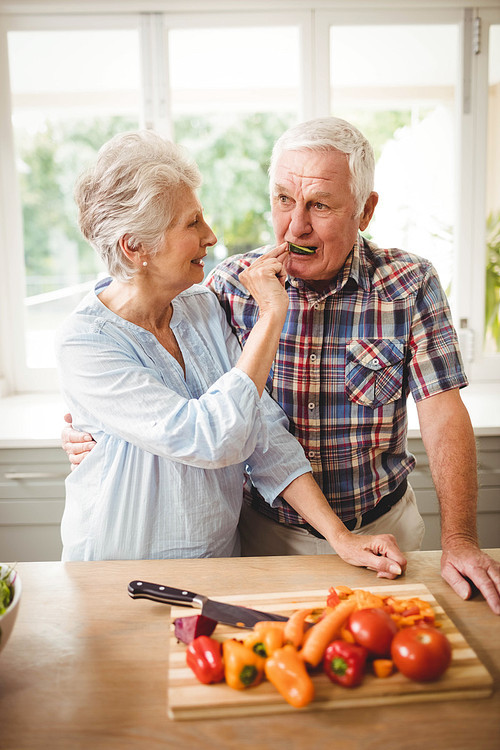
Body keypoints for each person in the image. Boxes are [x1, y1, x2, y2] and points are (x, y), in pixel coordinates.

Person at [62, 119, 500, 615]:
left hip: (375, 530)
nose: (296, 227)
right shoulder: (226, 289)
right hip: (237, 540)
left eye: (319, 205)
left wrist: (451, 537)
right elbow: (200, 425)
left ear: (365, 210)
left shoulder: (407, 283)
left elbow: (268, 432)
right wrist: (97, 433)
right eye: (284, 200)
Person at [55, 128, 406, 574]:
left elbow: (260, 430)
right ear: (135, 246)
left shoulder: (201, 306)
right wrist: (271, 314)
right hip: (117, 569)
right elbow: (209, 436)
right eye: (191, 223)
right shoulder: (85, 342)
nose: (212, 236)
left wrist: (341, 537)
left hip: (217, 562)